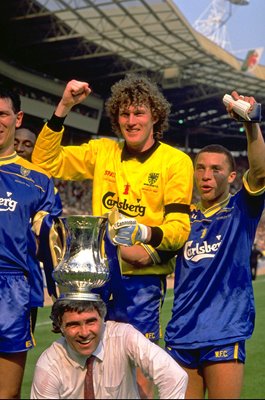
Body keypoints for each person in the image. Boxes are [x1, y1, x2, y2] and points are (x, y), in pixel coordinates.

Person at [31, 75, 194, 397]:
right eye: (124, 114)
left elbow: (179, 229)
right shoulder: (102, 151)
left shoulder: (176, 162)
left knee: (143, 369)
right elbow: (44, 162)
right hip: (99, 277)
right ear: (116, 118)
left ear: (155, 116)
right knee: (90, 361)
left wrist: (144, 233)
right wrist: (64, 106)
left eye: (139, 113)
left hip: (140, 282)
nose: (131, 121)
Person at [164, 91, 265, 399]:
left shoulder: (241, 210)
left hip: (224, 330)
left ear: (232, 175)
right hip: (181, 331)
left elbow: (260, 170)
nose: (206, 176)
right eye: (201, 168)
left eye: (216, 169)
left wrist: (251, 125)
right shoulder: (181, 218)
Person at [0, 85, 59, 399]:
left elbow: (53, 245)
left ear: (16, 117)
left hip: (13, 291)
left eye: (2, 114)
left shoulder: (38, 180)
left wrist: (60, 295)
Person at [30, 297, 188, 399]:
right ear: (60, 327)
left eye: (91, 321)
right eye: (73, 325)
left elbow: (174, 376)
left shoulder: (123, 336)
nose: (84, 333)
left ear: (103, 319)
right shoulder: (49, 364)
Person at [14, 126, 63, 333]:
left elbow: (51, 245)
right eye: (16, 142)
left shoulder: (45, 186)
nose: (20, 148)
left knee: (14, 358)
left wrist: (57, 297)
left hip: (25, 285)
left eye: (27, 144)